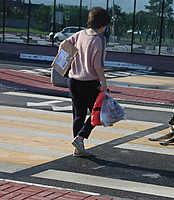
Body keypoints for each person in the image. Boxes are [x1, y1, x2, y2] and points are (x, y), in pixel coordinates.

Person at [59, 7, 111, 157]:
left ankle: (78, 148)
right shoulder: (100, 39)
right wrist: (104, 84)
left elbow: (63, 44)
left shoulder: (80, 34)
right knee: (98, 113)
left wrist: (67, 61)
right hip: (90, 82)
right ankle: (81, 137)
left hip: (73, 81)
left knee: (78, 115)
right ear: (103, 24)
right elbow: (98, 66)